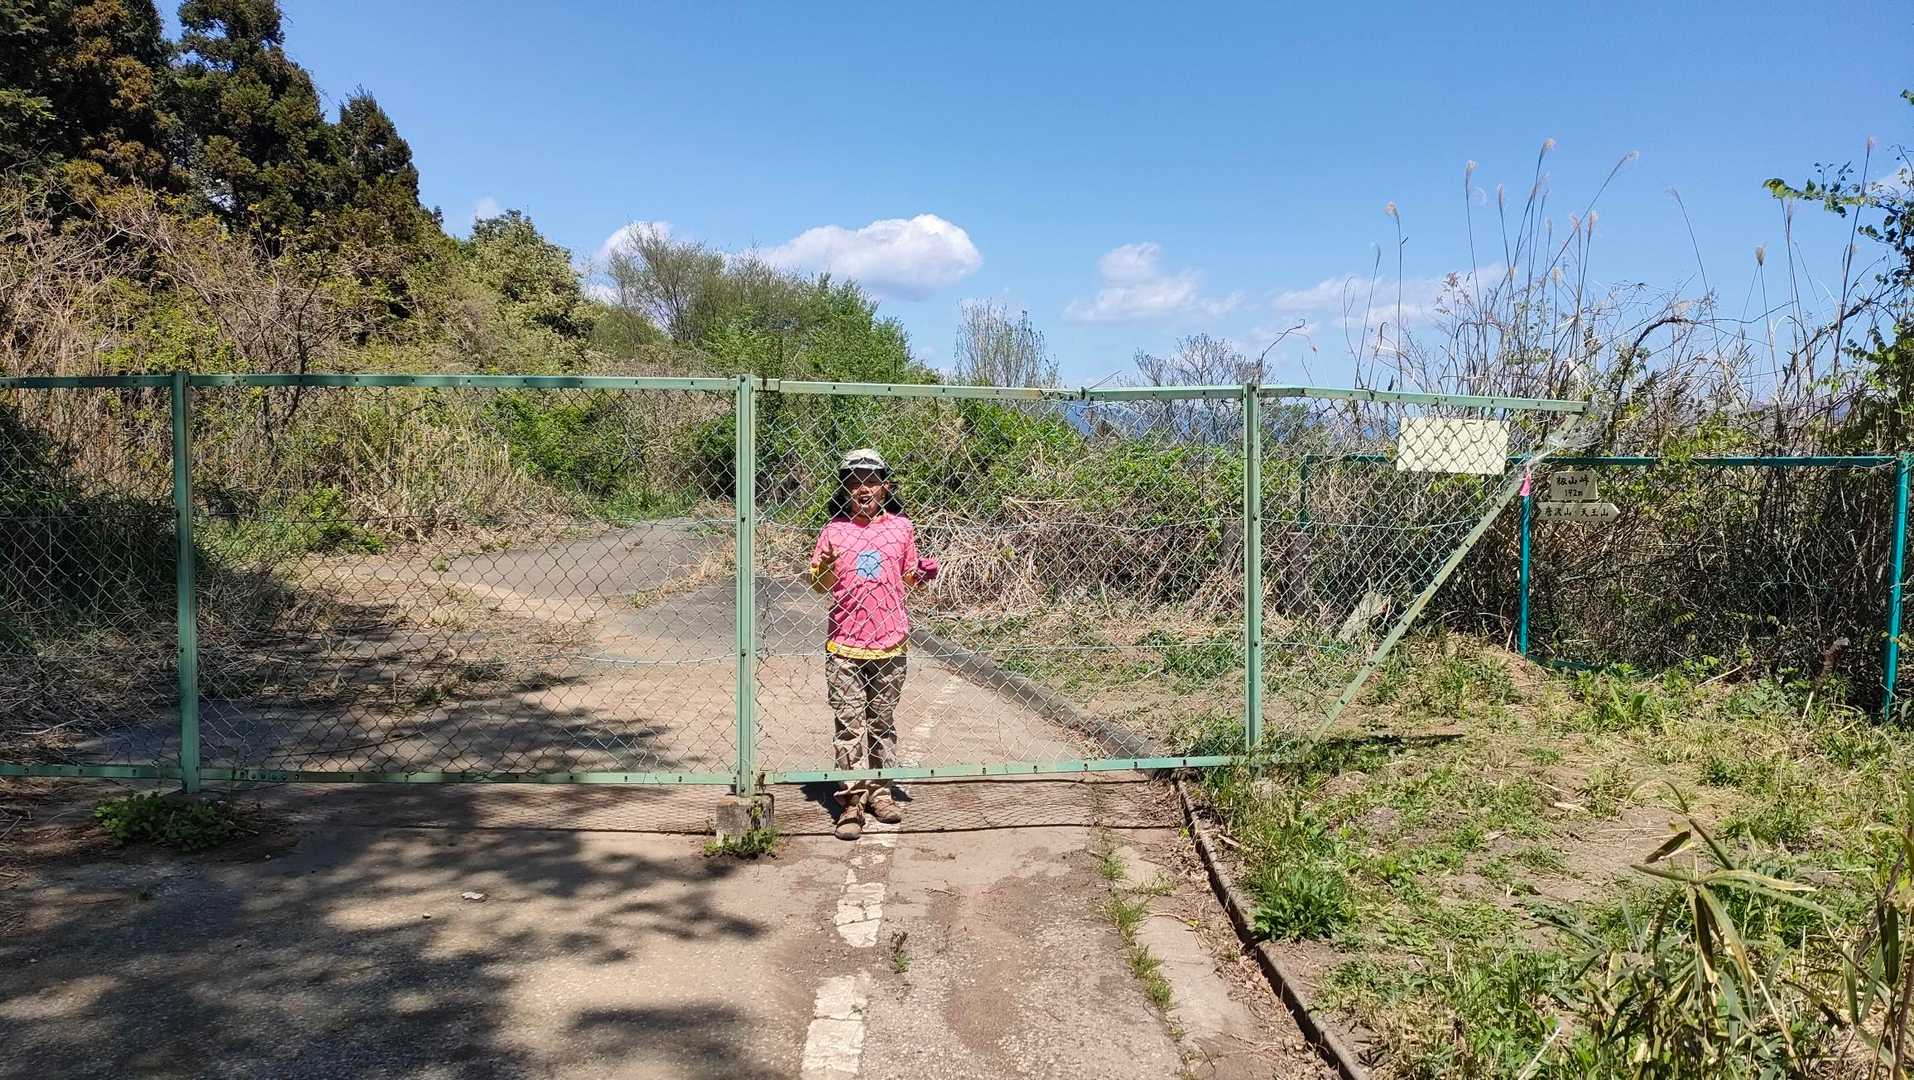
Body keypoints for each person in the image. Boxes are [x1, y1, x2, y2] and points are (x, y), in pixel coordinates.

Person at [809, 449, 938, 840]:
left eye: (870, 480)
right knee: (849, 725)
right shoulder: (834, 530)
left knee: (882, 723)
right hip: (844, 644)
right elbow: (819, 585)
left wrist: (923, 574)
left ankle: (881, 794)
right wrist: (827, 567)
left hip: (890, 642)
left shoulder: (901, 528)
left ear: (885, 486)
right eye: (853, 482)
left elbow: (909, 577)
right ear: (844, 489)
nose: (862, 488)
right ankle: (851, 801)